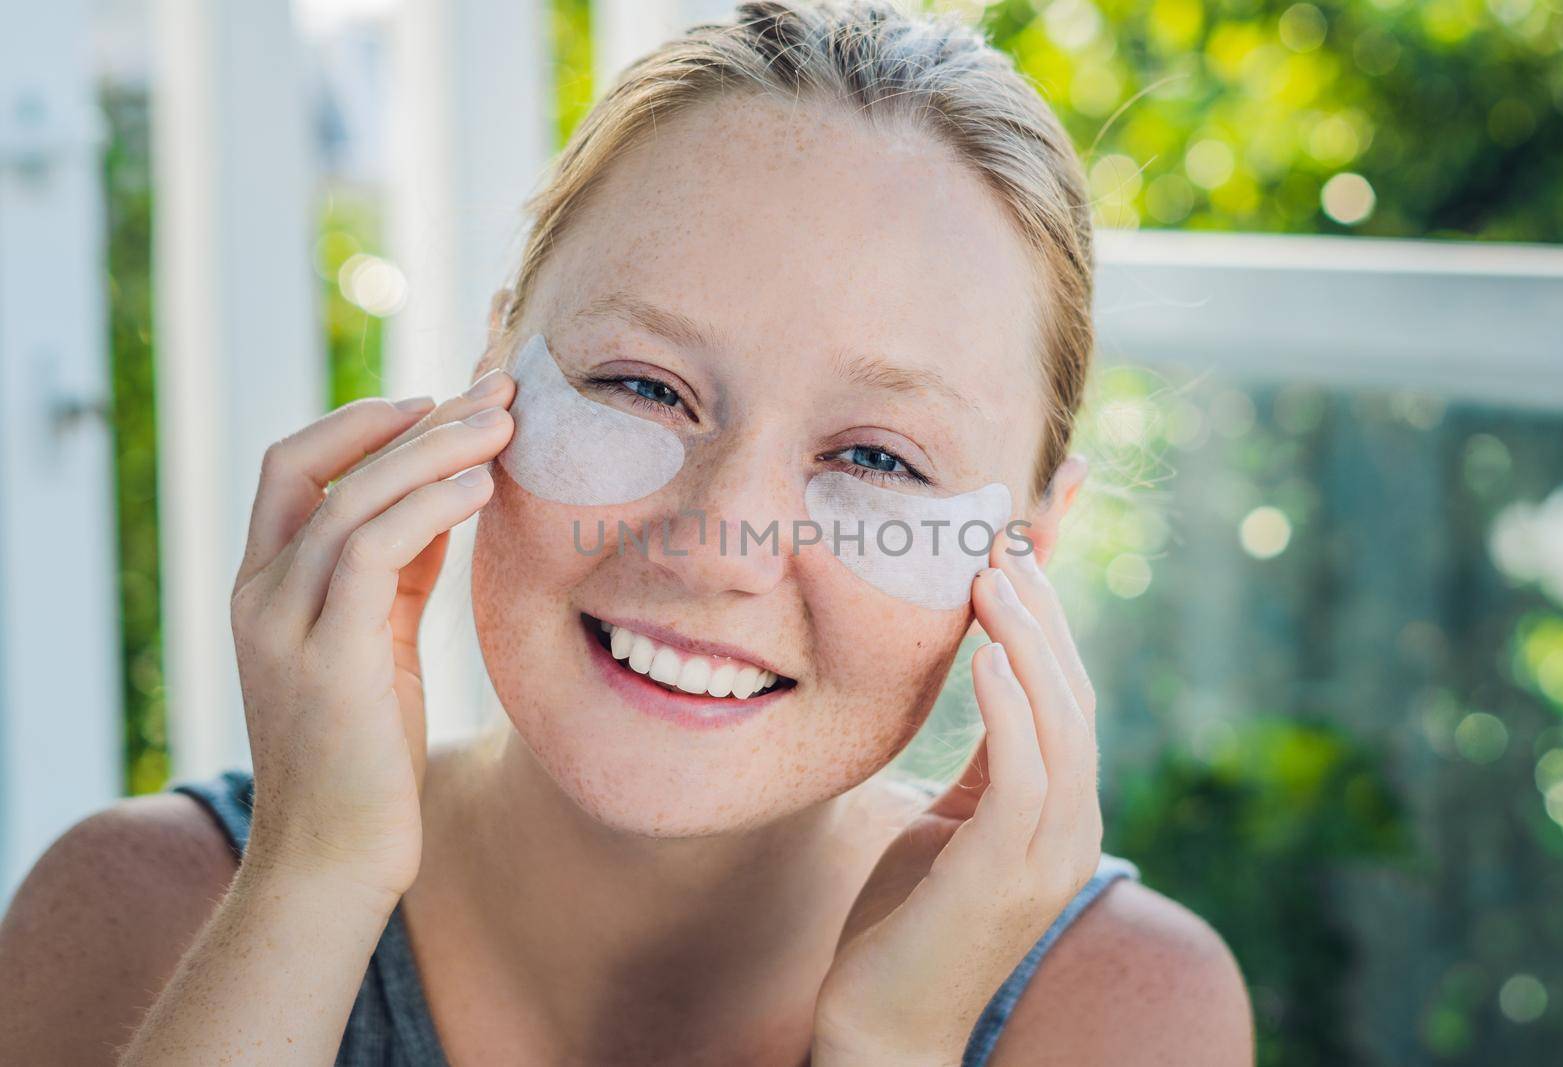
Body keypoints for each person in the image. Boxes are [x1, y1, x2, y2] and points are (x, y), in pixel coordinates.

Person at [0, 2, 1253, 1063]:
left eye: (876, 456)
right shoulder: (137, 913)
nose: (716, 542)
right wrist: (307, 884)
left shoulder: (1123, 1009)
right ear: (494, 368)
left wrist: (890, 1043)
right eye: (645, 387)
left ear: (1027, 539)